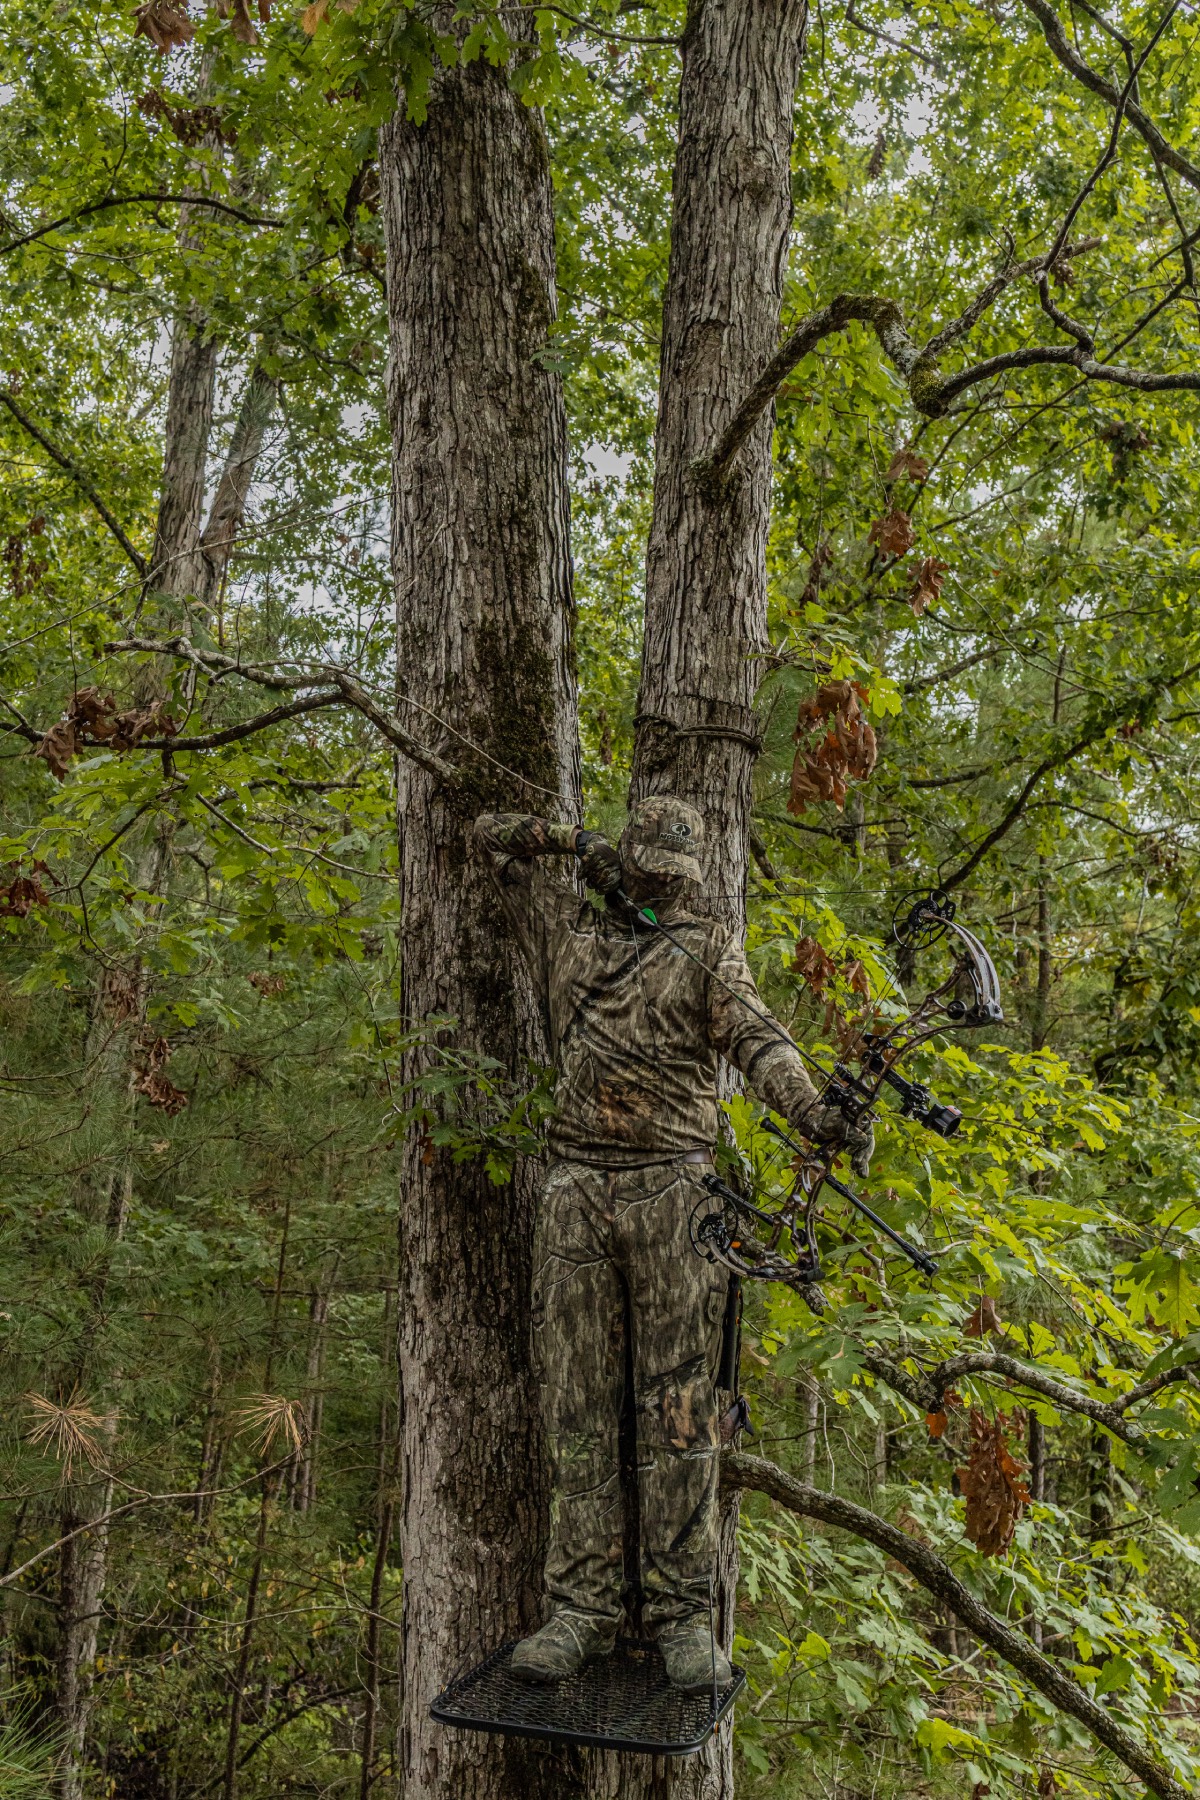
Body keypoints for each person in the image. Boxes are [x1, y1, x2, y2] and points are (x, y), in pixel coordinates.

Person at [473, 796, 872, 1693]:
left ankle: (684, 1617)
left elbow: (757, 1038)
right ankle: (578, 1611)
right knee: (578, 1409)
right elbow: (489, 837)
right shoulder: (568, 928)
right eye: (648, 872)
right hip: (576, 1190)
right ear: (628, 862)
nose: (661, 890)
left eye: (675, 880)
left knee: (683, 1415)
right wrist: (575, 842)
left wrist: (813, 1112)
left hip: (677, 1193)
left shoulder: (705, 949)